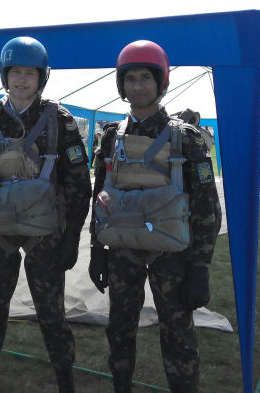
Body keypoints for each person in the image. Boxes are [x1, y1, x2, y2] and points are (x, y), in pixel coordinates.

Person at [0, 37, 92, 393]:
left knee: (51, 312)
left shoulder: (59, 120)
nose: (22, 80)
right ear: (5, 75)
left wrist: (72, 237)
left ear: (41, 77)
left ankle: (65, 382)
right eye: (16, 72)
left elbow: (78, 182)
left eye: (30, 73)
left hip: (44, 233)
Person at [88, 40, 222, 393]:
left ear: (160, 82)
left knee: (177, 334)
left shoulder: (186, 138)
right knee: (120, 329)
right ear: (121, 84)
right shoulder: (112, 137)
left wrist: (200, 268)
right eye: (130, 79)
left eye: (145, 78)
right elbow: (101, 197)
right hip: (122, 250)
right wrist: (97, 249)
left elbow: (207, 208)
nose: (137, 86)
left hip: (172, 255)